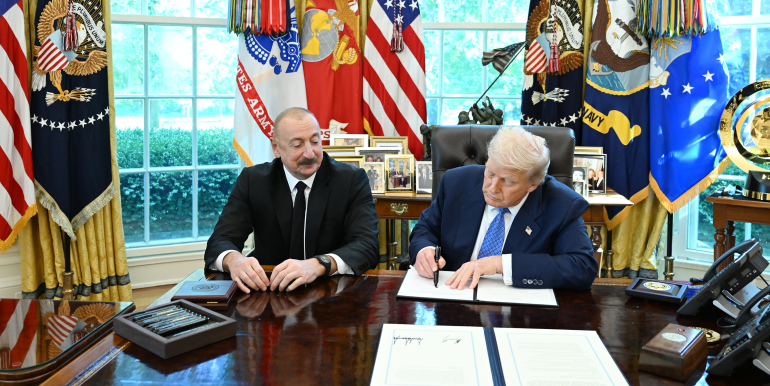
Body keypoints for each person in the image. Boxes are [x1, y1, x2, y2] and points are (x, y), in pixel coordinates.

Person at [204, 107, 380, 293]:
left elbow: (367, 246)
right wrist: (234, 260)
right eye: (297, 145)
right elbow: (220, 240)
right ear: (276, 148)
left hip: (332, 292)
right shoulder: (253, 181)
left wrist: (319, 264)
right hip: (269, 293)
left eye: (315, 141)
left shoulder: (351, 180)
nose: (310, 154)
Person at [409, 126, 597, 291]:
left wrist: (500, 264)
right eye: (490, 173)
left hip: (520, 311)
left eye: (508, 181)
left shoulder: (562, 205)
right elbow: (425, 228)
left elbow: (582, 268)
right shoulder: (456, 182)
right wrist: (424, 250)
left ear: (533, 184)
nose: (492, 188)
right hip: (452, 294)